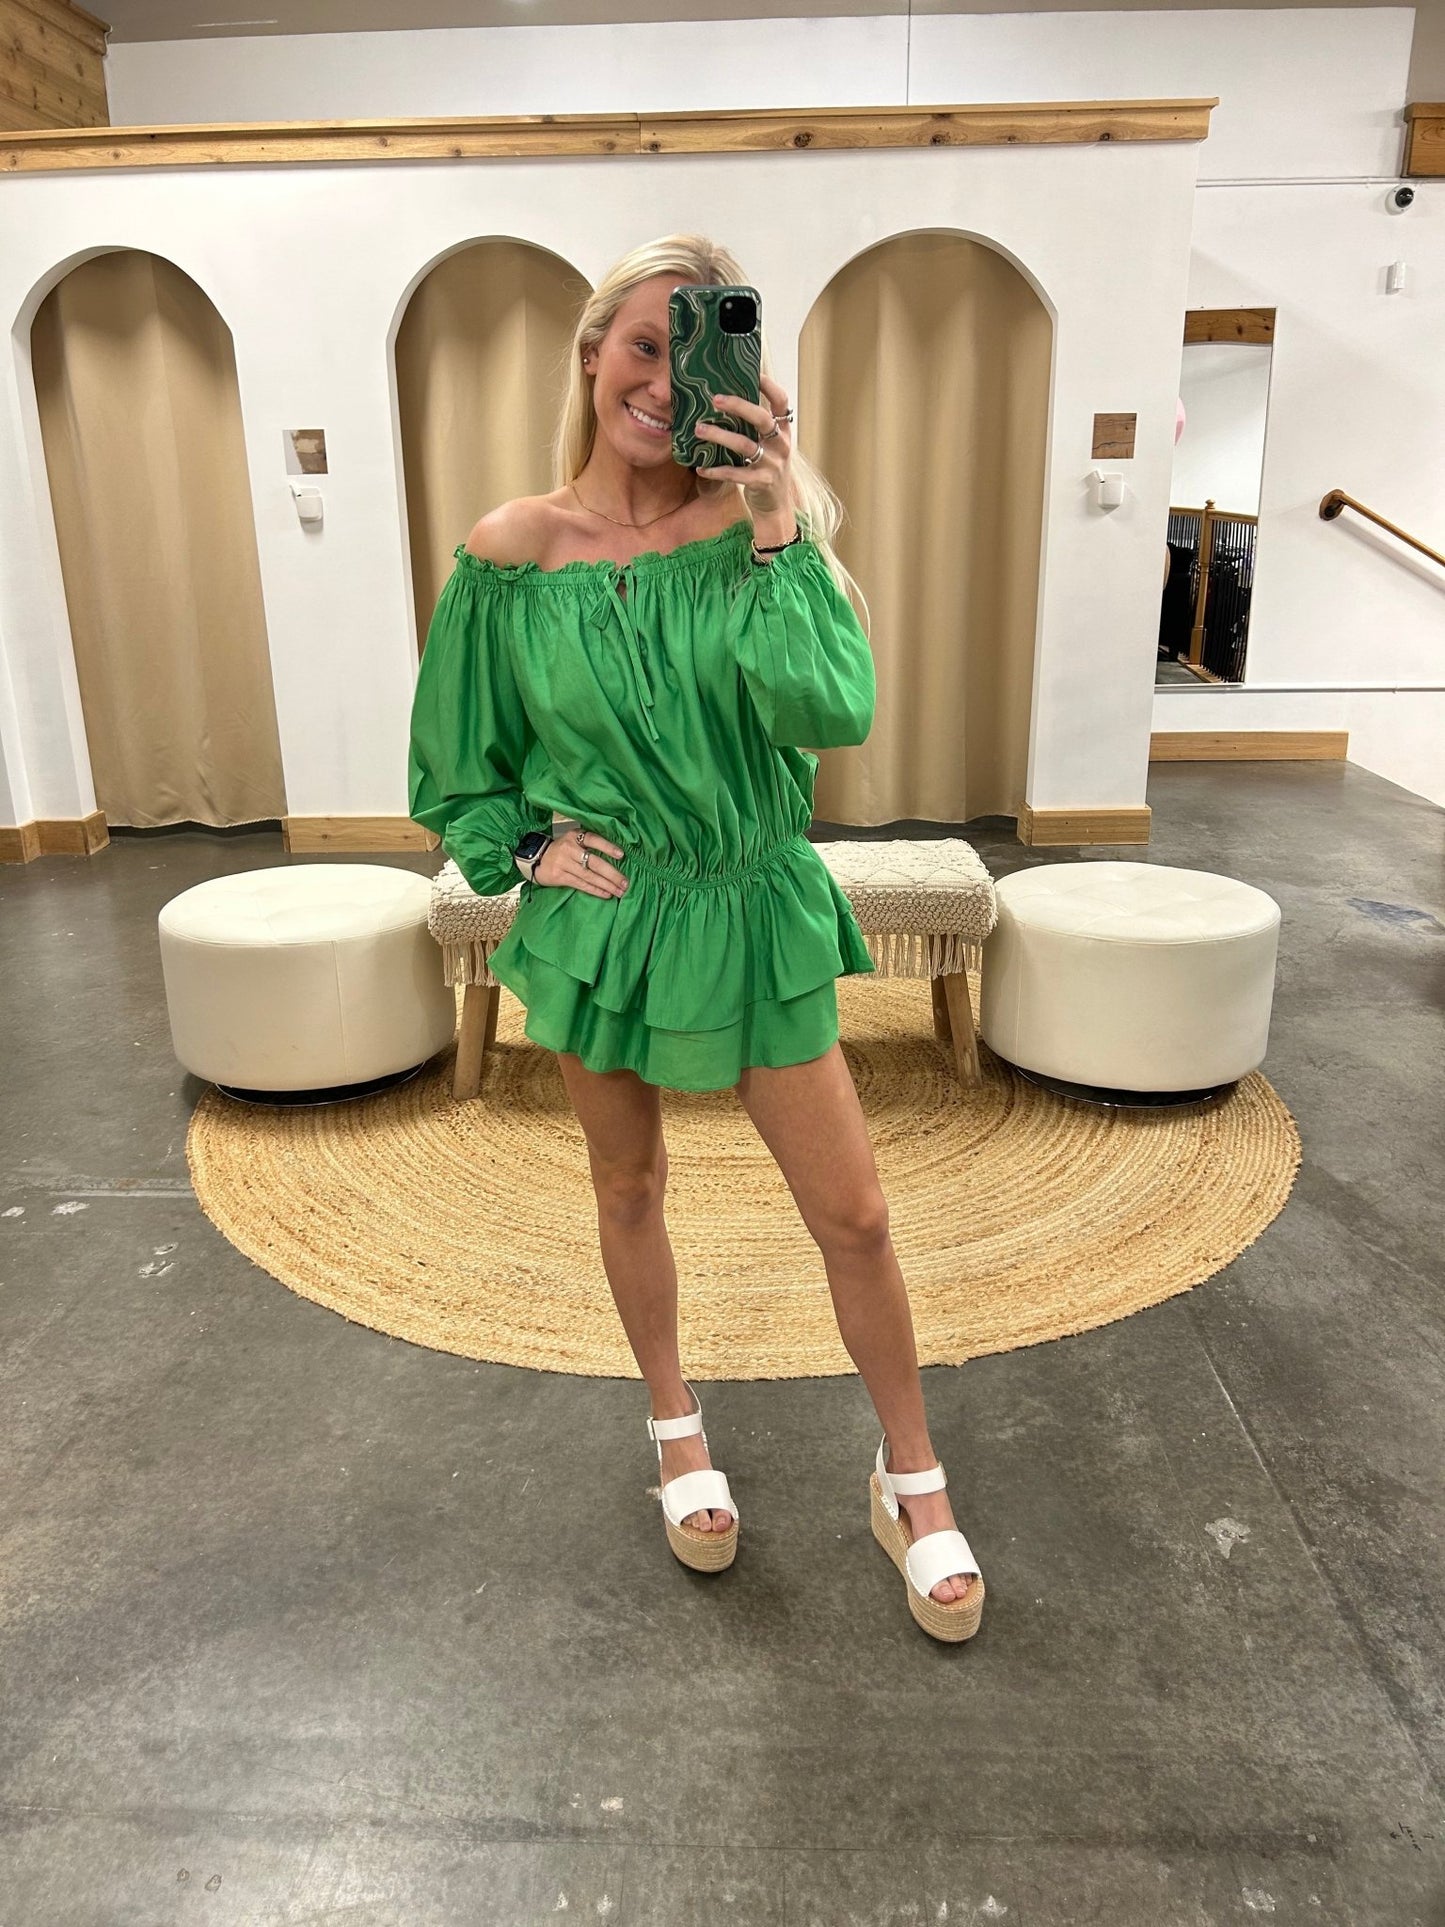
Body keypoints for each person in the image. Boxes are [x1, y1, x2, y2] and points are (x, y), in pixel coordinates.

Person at [408, 234, 983, 1641]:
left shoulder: (754, 539)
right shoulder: (510, 553)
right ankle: (675, 1429)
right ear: (591, 355)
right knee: (627, 1187)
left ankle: (909, 1478)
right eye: (642, 348)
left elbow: (828, 712)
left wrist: (779, 513)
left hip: (751, 902)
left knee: (854, 1213)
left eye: (697, 352)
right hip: (603, 924)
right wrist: (522, 850)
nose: (663, 384)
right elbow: (456, 763)